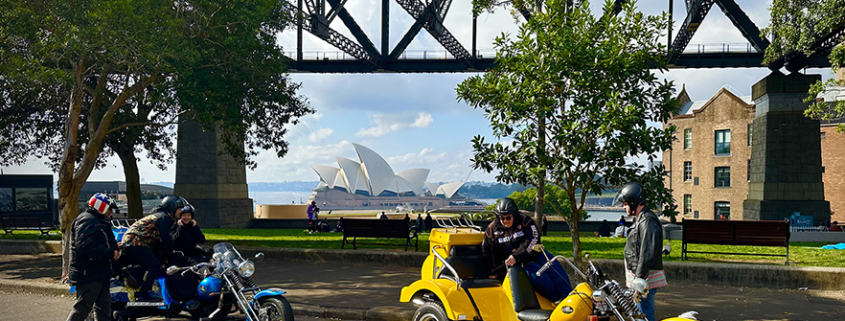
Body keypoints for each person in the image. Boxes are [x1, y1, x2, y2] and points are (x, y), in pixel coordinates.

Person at [482, 198, 572, 303]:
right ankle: (556, 300)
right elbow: (488, 251)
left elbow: (534, 238)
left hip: (532, 253)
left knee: (554, 267)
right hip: (513, 262)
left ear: (514, 215)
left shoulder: (526, 220)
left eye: (508, 218)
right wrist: (493, 271)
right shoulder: (492, 229)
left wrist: (517, 255)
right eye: (502, 218)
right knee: (539, 276)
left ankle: (569, 297)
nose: (505, 221)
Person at [614, 182, 666, 321]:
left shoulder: (647, 221)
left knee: (644, 315)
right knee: (639, 313)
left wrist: (639, 281)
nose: (624, 207)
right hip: (641, 277)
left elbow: (647, 253)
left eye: (625, 204)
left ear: (633, 202)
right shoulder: (642, 219)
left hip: (644, 279)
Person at [116, 195, 184, 301]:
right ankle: (143, 294)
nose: (180, 212)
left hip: (130, 241)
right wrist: (172, 254)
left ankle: (129, 278)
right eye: (179, 209)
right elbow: (166, 239)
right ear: (172, 207)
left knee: (146, 264)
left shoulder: (159, 215)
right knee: (154, 265)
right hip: (136, 242)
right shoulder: (164, 217)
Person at [66, 193, 120, 321]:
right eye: (109, 208)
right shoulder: (87, 220)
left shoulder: (96, 220)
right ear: (101, 207)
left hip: (99, 272)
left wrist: (115, 247)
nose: (111, 212)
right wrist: (109, 252)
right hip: (88, 273)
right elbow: (85, 246)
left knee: (104, 306)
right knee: (83, 307)